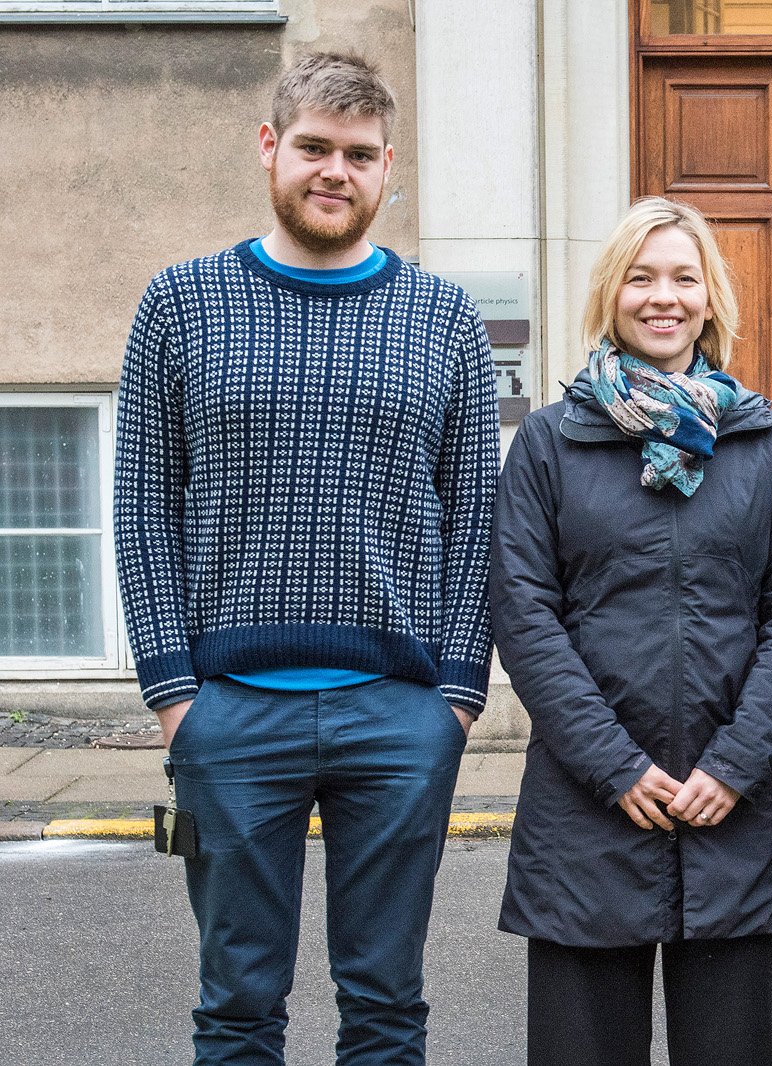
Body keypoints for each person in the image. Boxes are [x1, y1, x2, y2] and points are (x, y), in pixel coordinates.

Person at [112, 52, 496, 1065]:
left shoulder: (443, 317)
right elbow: (143, 500)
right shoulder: (180, 303)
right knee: (235, 1003)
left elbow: (478, 514)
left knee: (386, 1005)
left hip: (400, 712)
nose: (336, 171)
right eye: (316, 147)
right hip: (228, 708)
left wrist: (455, 693)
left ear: (387, 168)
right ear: (270, 147)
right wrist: (172, 691)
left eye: (360, 155)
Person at [490, 195, 772, 1066]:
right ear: (612, 294)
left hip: (730, 813)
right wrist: (614, 765)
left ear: (711, 298)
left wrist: (738, 761)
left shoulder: (766, 443)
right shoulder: (550, 445)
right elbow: (525, 613)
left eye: (684, 277)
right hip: (585, 812)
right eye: (641, 277)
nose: (662, 296)